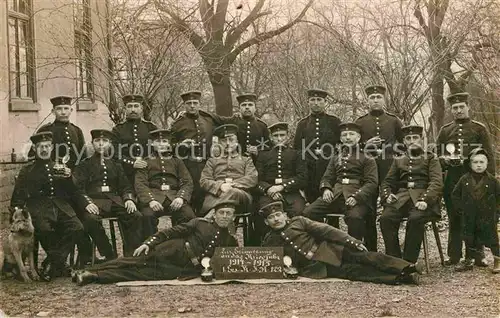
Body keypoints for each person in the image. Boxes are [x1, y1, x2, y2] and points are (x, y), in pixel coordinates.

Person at [73, 201, 239, 285]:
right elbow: (170, 232)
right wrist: (149, 243)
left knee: (139, 274)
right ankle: (87, 269)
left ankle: (92, 276)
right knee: (132, 261)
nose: (224, 216)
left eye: (228, 214)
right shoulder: (199, 223)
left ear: (233, 218)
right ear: (215, 215)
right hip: (172, 250)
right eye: (221, 213)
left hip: (182, 268)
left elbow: (228, 264)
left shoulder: (231, 241)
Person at [261, 201, 423, 285]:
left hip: (330, 250)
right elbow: (270, 262)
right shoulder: (269, 241)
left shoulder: (299, 221)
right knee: (355, 272)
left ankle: (407, 266)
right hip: (316, 267)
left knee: (364, 256)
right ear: (267, 223)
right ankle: (402, 279)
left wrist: (351, 241)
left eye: (278, 215)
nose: (276, 220)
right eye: (271, 218)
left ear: (284, 215)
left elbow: (327, 230)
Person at [11, 132, 84, 281]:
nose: (44, 149)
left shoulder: (59, 166)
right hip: (38, 207)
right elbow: (18, 195)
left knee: (77, 227)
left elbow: (73, 190)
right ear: (34, 148)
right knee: (44, 229)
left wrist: (69, 177)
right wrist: (16, 210)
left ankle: (52, 262)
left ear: (52, 148)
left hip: (60, 205)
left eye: (47, 146)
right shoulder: (27, 170)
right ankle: (58, 264)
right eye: (40, 146)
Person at [436, 92, 495, 266]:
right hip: (453, 180)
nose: (459, 110)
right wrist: (444, 160)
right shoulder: (445, 130)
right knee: (454, 216)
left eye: (462, 107)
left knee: (476, 217)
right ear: (451, 110)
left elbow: (488, 156)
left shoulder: (479, 128)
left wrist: (488, 180)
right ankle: (454, 255)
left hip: (475, 179)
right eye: (455, 108)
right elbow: (437, 154)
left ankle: (477, 255)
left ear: (468, 107)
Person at [72, 129, 143, 263]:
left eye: (104, 141)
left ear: (109, 144)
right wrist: (87, 203)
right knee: (91, 220)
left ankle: (130, 255)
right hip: (94, 201)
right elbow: (78, 188)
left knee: (135, 215)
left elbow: (125, 186)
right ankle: (108, 253)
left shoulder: (115, 164)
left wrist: (128, 199)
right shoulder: (84, 165)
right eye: (97, 141)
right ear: (92, 143)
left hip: (114, 201)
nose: (101, 144)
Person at [302, 122, 378, 242]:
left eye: (351, 134)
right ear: (341, 139)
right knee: (308, 212)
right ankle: (322, 245)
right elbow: (327, 177)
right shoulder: (336, 157)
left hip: (357, 198)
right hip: (336, 195)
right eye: (344, 135)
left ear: (358, 138)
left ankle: (353, 252)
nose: (348, 137)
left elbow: (371, 182)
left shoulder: (367, 157)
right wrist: (326, 189)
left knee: (355, 218)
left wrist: (356, 197)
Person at [379, 125, 443, 263]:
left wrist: (425, 200)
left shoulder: (431, 158)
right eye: (408, 138)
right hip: (402, 199)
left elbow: (436, 183)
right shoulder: (399, 159)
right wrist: (388, 194)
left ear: (421, 139)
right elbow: (387, 182)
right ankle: (394, 260)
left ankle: (409, 262)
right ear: (404, 142)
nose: (412, 141)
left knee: (415, 219)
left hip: (424, 200)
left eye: (415, 137)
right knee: (385, 218)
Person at [355, 85, 404, 252]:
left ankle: (392, 251)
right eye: (372, 97)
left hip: (389, 171)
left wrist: (390, 150)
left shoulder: (394, 120)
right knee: (368, 210)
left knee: (390, 210)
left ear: (384, 100)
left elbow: (404, 145)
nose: (375, 100)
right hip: (367, 173)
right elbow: (352, 147)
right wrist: (365, 145)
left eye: (378, 97)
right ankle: (372, 250)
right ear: (367, 100)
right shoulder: (360, 122)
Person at [171, 91, 232, 214]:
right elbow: (169, 146)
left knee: (205, 198)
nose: (192, 106)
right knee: (189, 198)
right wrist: (180, 145)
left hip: (207, 164)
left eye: (195, 103)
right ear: (184, 105)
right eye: (189, 103)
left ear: (199, 104)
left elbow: (228, 124)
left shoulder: (209, 119)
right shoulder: (178, 124)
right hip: (187, 165)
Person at [135, 129, 196, 238]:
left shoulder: (177, 161)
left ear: (168, 144)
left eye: (164, 141)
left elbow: (187, 182)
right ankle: (151, 248)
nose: (161, 144)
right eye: (158, 141)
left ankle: (180, 245)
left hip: (174, 197)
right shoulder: (146, 161)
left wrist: (180, 198)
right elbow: (140, 184)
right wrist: (150, 200)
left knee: (188, 215)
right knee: (147, 216)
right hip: (154, 197)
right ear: (152, 144)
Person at [254, 122, 307, 244]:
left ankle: (297, 245)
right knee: (265, 213)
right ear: (271, 138)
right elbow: (257, 179)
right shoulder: (263, 155)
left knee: (299, 212)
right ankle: (269, 246)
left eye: (282, 135)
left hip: (291, 193)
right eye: (276, 135)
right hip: (269, 194)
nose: (279, 138)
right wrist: (268, 189)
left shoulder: (297, 154)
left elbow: (302, 177)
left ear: (287, 136)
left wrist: (282, 187)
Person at [452, 148, 499, 273]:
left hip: (487, 215)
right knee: (469, 237)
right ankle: (469, 260)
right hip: (469, 215)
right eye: (475, 162)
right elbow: (455, 195)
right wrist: (461, 209)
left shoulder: (492, 181)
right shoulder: (464, 180)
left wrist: (496, 213)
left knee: (492, 238)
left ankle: (497, 260)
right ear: (470, 164)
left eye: (482, 162)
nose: (478, 165)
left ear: (487, 163)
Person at [293, 89, 341, 203]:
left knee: (330, 201)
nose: (316, 103)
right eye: (312, 100)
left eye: (319, 100)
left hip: (329, 168)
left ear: (325, 102)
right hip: (310, 170)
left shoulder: (334, 122)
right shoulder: (302, 124)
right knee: (312, 201)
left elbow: (342, 144)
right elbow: (297, 149)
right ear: (308, 102)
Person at [199, 124, 258, 216]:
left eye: (231, 140)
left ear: (237, 141)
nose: (227, 143)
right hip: (217, 194)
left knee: (232, 192)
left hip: (241, 196)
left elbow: (252, 178)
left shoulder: (246, 160)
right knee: (216, 197)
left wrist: (231, 185)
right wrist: (220, 186)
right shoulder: (212, 161)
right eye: (223, 140)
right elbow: (204, 181)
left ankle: (209, 215)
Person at [112, 94, 158, 184]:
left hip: (148, 171)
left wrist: (147, 162)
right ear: (125, 109)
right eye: (129, 106)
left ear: (141, 108)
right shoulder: (118, 129)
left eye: (136, 106)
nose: (133, 110)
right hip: (126, 172)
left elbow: (158, 149)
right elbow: (114, 152)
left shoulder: (151, 127)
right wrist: (132, 162)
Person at [31, 96, 86, 168]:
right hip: (51, 174)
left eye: (66, 108)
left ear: (71, 110)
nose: (63, 112)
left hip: (73, 175)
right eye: (59, 109)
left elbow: (83, 157)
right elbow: (34, 156)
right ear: (53, 111)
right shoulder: (45, 130)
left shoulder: (77, 131)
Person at [233, 93, 270, 160]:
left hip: (256, 163)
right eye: (244, 105)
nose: (247, 107)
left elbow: (268, 147)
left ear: (255, 108)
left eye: (250, 105)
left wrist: (258, 151)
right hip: (237, 164)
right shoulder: (233, 124)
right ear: (239, 108)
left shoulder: (262, 126)